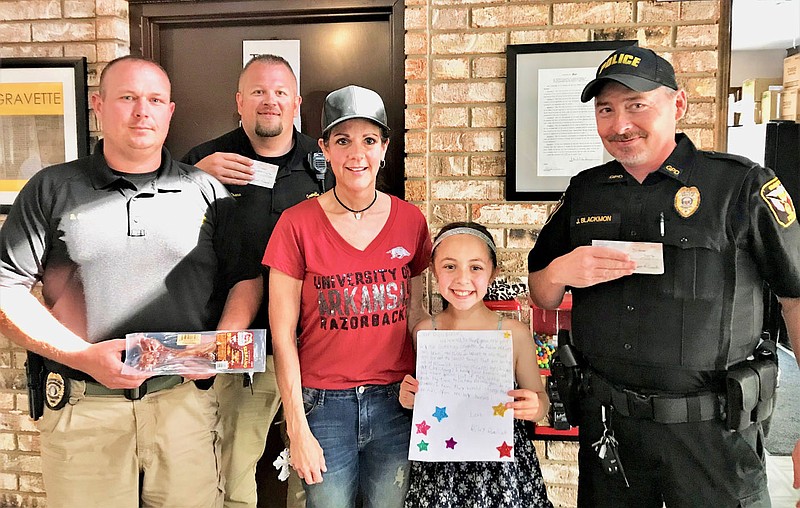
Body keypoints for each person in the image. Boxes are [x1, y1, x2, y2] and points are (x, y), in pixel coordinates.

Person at [527, 44, 800, 507]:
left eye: (637, 105)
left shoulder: (740, 186)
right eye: (606, 109)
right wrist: (560, 270)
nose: (620, 124)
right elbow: (542, 292)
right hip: (610, 439)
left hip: (712, 441)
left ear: (678, 105)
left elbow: (796, 297)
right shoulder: (587, 192)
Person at [0, 55, 260, 508]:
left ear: (170, 111)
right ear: (99, 104)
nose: (143, 110)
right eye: (128, 98)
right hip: (85, 409)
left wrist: (221, 344)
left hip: (183, 407)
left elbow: (245, 279)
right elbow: (5, 289)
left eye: (155, 100)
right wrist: (81, 355)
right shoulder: (51, 188)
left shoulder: (207, 191)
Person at [263, 84, 431, 508]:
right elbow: (281, 334)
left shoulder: (410, 221)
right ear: (325, 149)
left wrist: (441, 376)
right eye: (343, 141)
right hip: (323, 406)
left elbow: (417, 312)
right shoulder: (295, 224)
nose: (357, 154)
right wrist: (297, 427)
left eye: (369, 140)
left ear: (385, 148)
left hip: (396, 401)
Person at [183, 54, 333, 508]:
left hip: (314, 348)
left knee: (314, 472)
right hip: (234, 346)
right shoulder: (202, 161)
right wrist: (194, 179)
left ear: (295, 104)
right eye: (259, 92)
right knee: (233, 468)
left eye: (281, 92)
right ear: (239, 102)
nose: (270, 101)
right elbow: (167, 242)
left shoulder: (323, 162)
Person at [399, 222, 552, 507]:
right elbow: (419, 400)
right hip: (440, 470)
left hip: (502, 469)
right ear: (433, 269)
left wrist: (534, 406)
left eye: (475, 268)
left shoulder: (514, 334)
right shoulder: (423, 333)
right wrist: (408, 398)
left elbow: (541, 402)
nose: (462, 279)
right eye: (449, 266)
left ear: (492, 273)